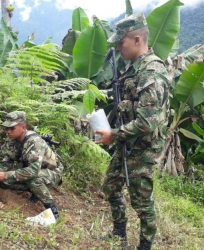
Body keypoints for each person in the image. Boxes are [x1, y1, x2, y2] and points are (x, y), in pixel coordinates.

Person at [95, 13, 172, 250]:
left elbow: (147, 123)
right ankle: (120, 234)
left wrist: (113, 135)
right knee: (111, 185)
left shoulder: (151, 72)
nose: (118, 48)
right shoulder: (132, 68)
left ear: (137, 39)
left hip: (144, 148)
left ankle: (145, 246)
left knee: (141, 201)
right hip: (127, 142)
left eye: (122, 42)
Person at [0, 111, 63, 224]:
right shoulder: (11, 142)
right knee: (4, 182)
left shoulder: (35, 142)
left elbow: (33, 171)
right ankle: (35, 192)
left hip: (53, 171)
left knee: (34, 179)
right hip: (34, 171)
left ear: (23, 127)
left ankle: (53, 211)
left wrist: (5, 175)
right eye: (7, 129)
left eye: (12, 128)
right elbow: (6, 162)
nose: (8, 132)